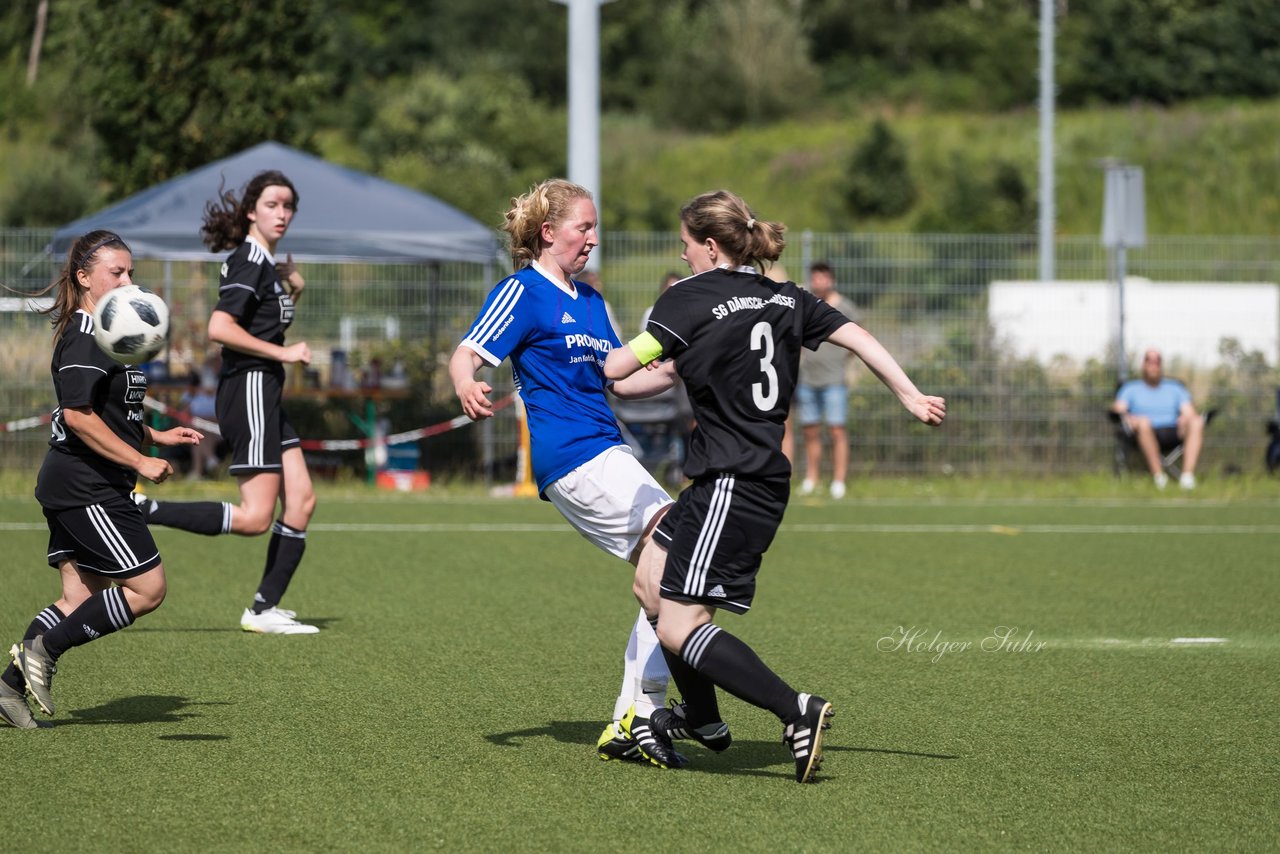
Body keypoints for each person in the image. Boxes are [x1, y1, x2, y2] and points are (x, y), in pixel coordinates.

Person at [603, 190, 945, 782]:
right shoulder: (785, 298)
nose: (682, 256)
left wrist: (572, 352)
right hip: (742, 479)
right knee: (650, 582)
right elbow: (857, 336)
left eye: (686, 245)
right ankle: (705, 721)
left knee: (682, 626)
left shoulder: (685, 300)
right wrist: (908, 392)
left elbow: (617, 371)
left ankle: (796, 710)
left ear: (710, 246)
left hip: (733, 482)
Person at [449, 179, 729, 764]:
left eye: (595, 228)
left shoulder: (592, 302)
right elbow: (467, 353)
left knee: (668, 575)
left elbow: (621, 380)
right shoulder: (521, 291)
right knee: (679, 548)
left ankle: (634, 719)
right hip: (571, 455)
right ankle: (643, 710)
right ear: (548, 233)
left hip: (608, 448)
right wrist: (465, 382)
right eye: (584, 228)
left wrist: (681, 365)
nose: (593, 240)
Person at [1, 231, 203, 729]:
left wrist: (155, 435)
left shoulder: (112, 328)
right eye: (117, 272)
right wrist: (139, 462)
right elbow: (77, 417)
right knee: (148, 589)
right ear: (84, 277)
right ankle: (43, 651)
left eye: (131, 272)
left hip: (80, 482)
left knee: (76, 599)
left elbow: (108, 411)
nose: (128, 281)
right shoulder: (84, 333)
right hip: (84, 483)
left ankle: (5, 691)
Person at [133, 171, 320, 634]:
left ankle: (262, 608)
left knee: (301, 500)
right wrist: (284, 352)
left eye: (289, 206)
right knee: (257, 517)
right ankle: (145, 510)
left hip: (266, 392)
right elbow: (221, 328)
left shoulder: (266, 263)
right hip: (250, 388)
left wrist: (293, 288)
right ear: (252, 210)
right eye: (273, 204)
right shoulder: (249, 259)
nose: (283, 213)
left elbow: (262, 321)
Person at [795, 261, 860, 499]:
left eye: (823, 277)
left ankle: (838, 481)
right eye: (815, 277)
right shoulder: (806, 305)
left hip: (835, 380)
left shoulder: (846, 307)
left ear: (831, 279)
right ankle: (812, 478)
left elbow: (857, 340)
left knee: (836, 430)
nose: (819, 282)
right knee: (810, 430)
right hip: (808, 379)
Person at [1112, 347, 1204, 489]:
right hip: (1143, 432)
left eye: (1157, 361)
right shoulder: (1130, 388)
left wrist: (1186, 418)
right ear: (1143, 364)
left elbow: (1189, 412)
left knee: (1197, 421)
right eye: (1149, 360)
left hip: (1174, 431)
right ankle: (1159, 478)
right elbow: (1118, 410)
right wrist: (1130, 419)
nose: (1153, 364)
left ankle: (1187, 478)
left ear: (1161, 365)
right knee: (1143, 422)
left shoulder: (1175, 388)